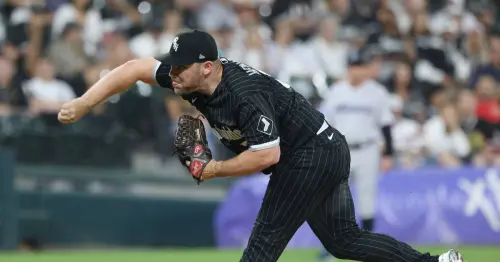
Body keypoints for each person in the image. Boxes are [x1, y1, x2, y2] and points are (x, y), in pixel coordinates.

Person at [57, 29, 464, 262]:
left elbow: (268, 155)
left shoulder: (244, 94)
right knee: (343, 242)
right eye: (173, 64)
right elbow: (132, 69)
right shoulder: (189, 77)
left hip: (309, 155)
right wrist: (82, 103)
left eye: (181, 66)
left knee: (261, 248)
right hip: (327, 147)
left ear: (208, 65)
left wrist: (214, 169)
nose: (173, 73)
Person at [316, 48, 395, 261]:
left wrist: (389, 154)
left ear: (366, 68)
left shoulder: (377, 92)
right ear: (348, 68)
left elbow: (386, 125)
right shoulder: (336, 91)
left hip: (368, 149)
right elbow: (324, 123)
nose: (356, 71)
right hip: (342, 150)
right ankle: (332, 246)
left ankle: (368, 246)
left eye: (360, 66)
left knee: (367, 198)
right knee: (334, 198)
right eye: (353, 66)